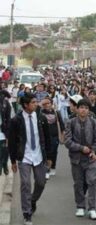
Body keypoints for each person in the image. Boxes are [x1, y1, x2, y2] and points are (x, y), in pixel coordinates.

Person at [8, 92, 51, 225]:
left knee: (41, 182)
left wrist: (49, 157)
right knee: (25, 184)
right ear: (26, 105)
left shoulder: (41, 117)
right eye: (33, 102)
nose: (36, 104)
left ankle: (32, 200)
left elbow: (47, 138)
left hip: (38, 156)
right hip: (24, 157)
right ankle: (27, 212)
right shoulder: (16, 120)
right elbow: (12, 142)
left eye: (35, 102)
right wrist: (13, 160)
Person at [64, 98, 96, 220]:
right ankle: (80, 206)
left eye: (86, 108)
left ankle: (92, 208)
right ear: (77, 109)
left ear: (89, 110)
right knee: (78, 183)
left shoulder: (94, 123)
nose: (83, 110)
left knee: (92, 182)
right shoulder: (70, 122)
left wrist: (94, 151)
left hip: (91, 158)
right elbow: (67, 141)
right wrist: (81, 148)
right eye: (81, 107)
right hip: (76, 159)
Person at [40, 97, 65, 179]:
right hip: (44, 137)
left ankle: (53, 167)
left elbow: (62, 125)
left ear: (52, 104)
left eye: (48, 103)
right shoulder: (40, 113)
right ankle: (46, 170)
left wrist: (62, 135)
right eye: (45, 104)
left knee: (53, 153)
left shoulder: (56, 113)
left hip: (55, 137)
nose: (47, 105)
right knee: (46, 153)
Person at [0, 90, 11, 175]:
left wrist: (8, 130)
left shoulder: (6, 103)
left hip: (3, 131)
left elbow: (8, 118)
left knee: (5, 150)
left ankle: (4, 164)